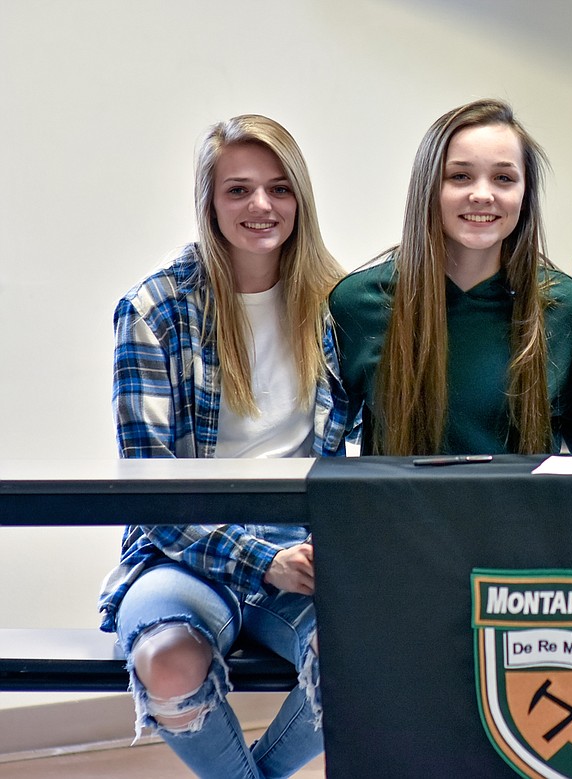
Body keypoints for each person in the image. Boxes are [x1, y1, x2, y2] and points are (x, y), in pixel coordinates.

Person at [99, 114, 347, 778]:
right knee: (167, 656)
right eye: (238, 190)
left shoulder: (339, 306)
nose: (261, 206)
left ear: (300, 198)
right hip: (186, 544)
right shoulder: (155, 308)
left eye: (278, 188)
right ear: (209, 203)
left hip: (304, 542)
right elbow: (152, 490)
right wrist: (261, 559)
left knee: (374, 650)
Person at [328, 99, 572, 455]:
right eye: (460, 176)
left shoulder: (561, 306)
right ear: (429, 187)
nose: (482, 194)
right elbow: (324, 442)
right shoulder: (358, 305)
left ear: (525, 194)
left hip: (524, 512)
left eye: (503, 178)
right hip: (399, 511)